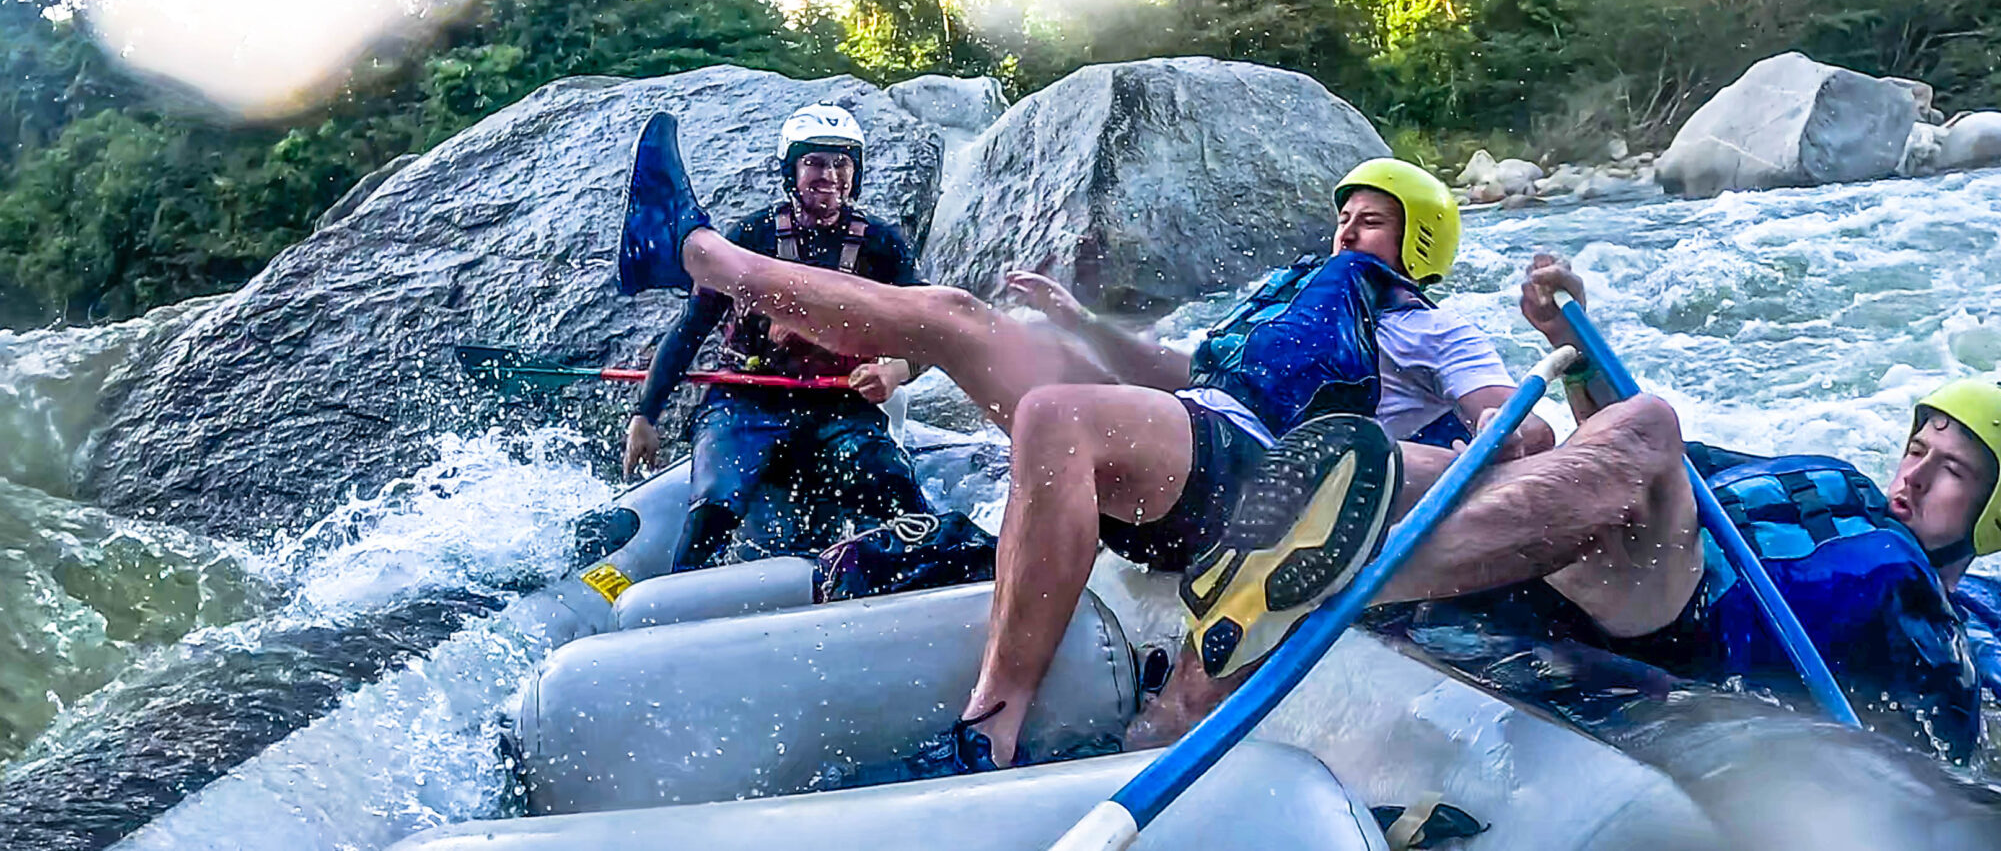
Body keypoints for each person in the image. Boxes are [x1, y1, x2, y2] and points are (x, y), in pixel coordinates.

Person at [618, 137, 1551, 771]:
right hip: (1191, 438)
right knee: (951, 318)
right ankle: (698, 256)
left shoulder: (1435, 326)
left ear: (1420, 240)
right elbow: (1183, 368)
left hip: (1259, 490)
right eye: (1345, 219)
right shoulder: (1291, 301)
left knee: (1060, 413)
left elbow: (1522, 431)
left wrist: (1423, 458)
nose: (1347, 234)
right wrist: (1082, 324)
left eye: (1372, 224)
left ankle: (993, 727)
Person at [1151, 255, 2001, 761]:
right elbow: (1630, 464)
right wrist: (1575, 353)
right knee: (1515, 448)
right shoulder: (1824, 479)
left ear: (1999, 510)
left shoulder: (1956, 616)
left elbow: (1980, 733)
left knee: (1650, 421)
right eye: (1919, 448)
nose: (1917, 475)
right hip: (1632, 557)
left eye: (1955, 472)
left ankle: (1335, 578)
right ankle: (1213, 640)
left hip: (1694, 615)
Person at [621, 104, 930, 570]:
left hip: (839, 406)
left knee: (891, 483)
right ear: (792, 170)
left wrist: (897, 369)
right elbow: (690, 329)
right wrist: (646, 415)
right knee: (716, 504)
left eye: (842, 163)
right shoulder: (750, 237)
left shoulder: (881, 245)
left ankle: (927, 576)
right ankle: (678, 597)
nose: (830, 176)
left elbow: (930, 329)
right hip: (746, 402)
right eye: (815, 163)